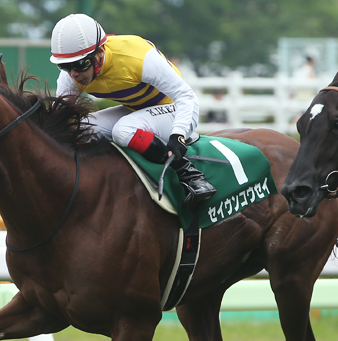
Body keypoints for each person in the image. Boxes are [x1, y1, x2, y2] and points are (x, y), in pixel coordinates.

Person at [49, 13, 215, 209]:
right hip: (139, 111)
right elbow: (58, 119)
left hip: (175, 108)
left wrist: (178, 133)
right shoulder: (72, 75)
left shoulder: (136, 56)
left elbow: (186, 96)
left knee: (124, 130)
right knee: (80, 128)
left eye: (80, 64)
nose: (74, 73)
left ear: (99, 52)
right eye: (65, 66)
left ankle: (189, 174)